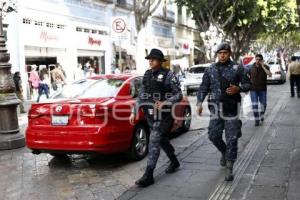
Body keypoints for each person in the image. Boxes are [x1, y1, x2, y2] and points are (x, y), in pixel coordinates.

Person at [196, 43, 251, 181]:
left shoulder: (237, 68)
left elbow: (248, 84)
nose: (222, 55)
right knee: (213, 135)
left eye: (225, 52)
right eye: (220, 53)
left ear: (230, 53)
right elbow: (203, 87)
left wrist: (238, 88)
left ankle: (229, 166)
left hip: (232, 108)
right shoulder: (211, 69)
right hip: (215, 108)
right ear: (217, 54)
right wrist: (199, 102)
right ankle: (224, 152)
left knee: (231, 138)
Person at [129, 48, 183, 187]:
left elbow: (179, 95)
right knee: (162, 140)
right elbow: (141, 95)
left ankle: (149, 175)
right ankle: (174, 161)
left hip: (164, 116)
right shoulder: (147, 75)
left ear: (160, 61)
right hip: (150, 115)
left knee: (153, 141)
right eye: (149, 59)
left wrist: (166, 102)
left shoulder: (169, 75)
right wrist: (134, 111)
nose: (150, 61)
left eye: (153, 59)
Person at [248, 54, 272, 126]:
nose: (257, 61)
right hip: (253, 89)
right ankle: (257, 119)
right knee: (254, 105)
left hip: (262, 89)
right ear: (255, 59)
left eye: (259, 59)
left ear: (262, 60)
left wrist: (263, 67)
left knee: (263, 104)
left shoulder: (266, 67)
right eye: (256, 59)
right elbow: (247, 76)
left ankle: (261, 115)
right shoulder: (251, 67)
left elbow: (270, 74)